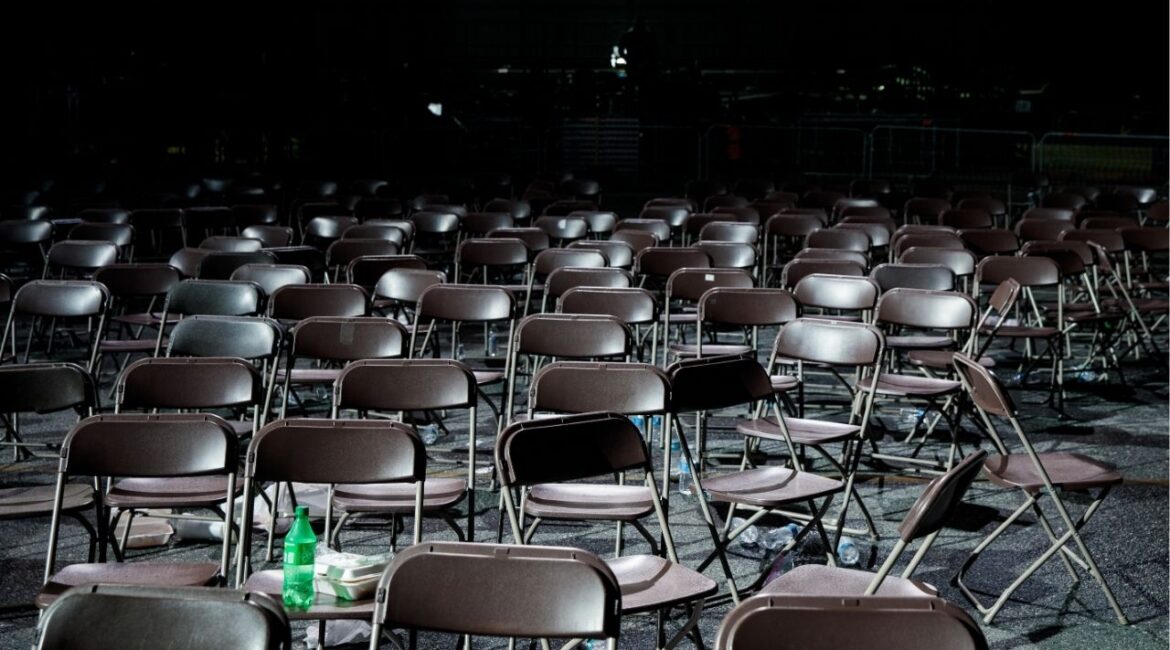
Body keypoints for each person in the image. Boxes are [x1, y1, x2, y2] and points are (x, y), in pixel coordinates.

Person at [617, 16, 657, 80]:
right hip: (646, 64)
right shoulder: (650, 36)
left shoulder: (627, 36)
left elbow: (620, 49)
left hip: (632, 63)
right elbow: (655, 50)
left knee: (631, 82)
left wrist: (627, 58)